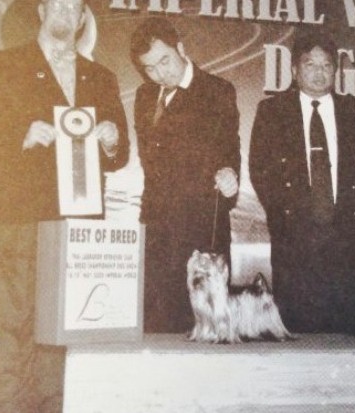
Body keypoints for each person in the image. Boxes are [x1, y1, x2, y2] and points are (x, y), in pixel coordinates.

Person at [0, 0, 129, 411]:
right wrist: (21, 137)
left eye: (73, 5)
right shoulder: (0, 66)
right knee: (17, 323)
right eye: (56, 3)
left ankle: (57, 406)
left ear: (82, 19)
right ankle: (12, 406)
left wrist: (112, 139)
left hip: (79, 224)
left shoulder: (102, 77)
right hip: (21, 217)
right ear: (41, 11)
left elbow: (121, 156)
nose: (64, 10)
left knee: (66, 325)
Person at [249, 30, 355, 335]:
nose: (319, 73)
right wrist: (285, 214)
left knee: (345, 328)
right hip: (293, 235)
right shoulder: (272, 111)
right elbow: (260, 169)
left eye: (326, 66)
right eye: (310, 65)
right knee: (296, 326)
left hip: (344, 234)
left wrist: (347, 212)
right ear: (295, 69)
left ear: (335, 70)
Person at [130, 17, 240, 333]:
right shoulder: (144, 96)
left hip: (201, 228)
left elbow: (229, 148)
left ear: (180, 48)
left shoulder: (217, 91)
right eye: (150, 68)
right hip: (156, 230)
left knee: (205, 326)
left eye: (165, 61)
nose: (160, 74)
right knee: (155, 326)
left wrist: (229, 174)